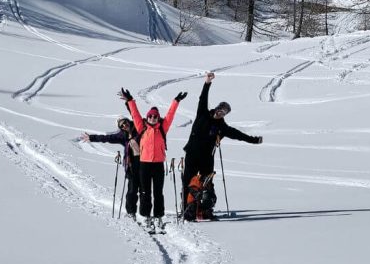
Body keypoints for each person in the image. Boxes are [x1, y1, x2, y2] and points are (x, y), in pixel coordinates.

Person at [181, 72, 262, 213]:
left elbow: (238, 135)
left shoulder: (222, 127)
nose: (221, 113)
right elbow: (203, 98)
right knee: (188, 181)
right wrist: (207, 83)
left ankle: (205, 209)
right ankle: (187, 208)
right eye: (220, 109)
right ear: (217, 108)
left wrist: (253, 140)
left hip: (207, 158)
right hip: (192, 154)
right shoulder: (203, 114)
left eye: (224, 112)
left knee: (207, 184)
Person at [119, 86, 186, 230]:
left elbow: (170, 115)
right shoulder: (141, 127)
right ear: (147, 117)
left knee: (158, 192)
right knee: (145, 192)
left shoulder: (163, 127)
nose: (153, 118)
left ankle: (158, 216)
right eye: (150, 116)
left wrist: (176, 101)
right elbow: (135, 114)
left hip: (158, 165)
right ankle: (145, 216)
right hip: (144, 165)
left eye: (155, 116)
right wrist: (130, 100)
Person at [81, 117, 141, 218]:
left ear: (128, 121)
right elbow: (108, 138)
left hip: (144, 164)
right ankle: (131, 212)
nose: (124, 125)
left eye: (125, 123)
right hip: (131, 166)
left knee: (144, 191)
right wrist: (92, 138)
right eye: (121, 125)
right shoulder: (122, 135)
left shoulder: (139, 129)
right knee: (132, 190)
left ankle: (146, 213)